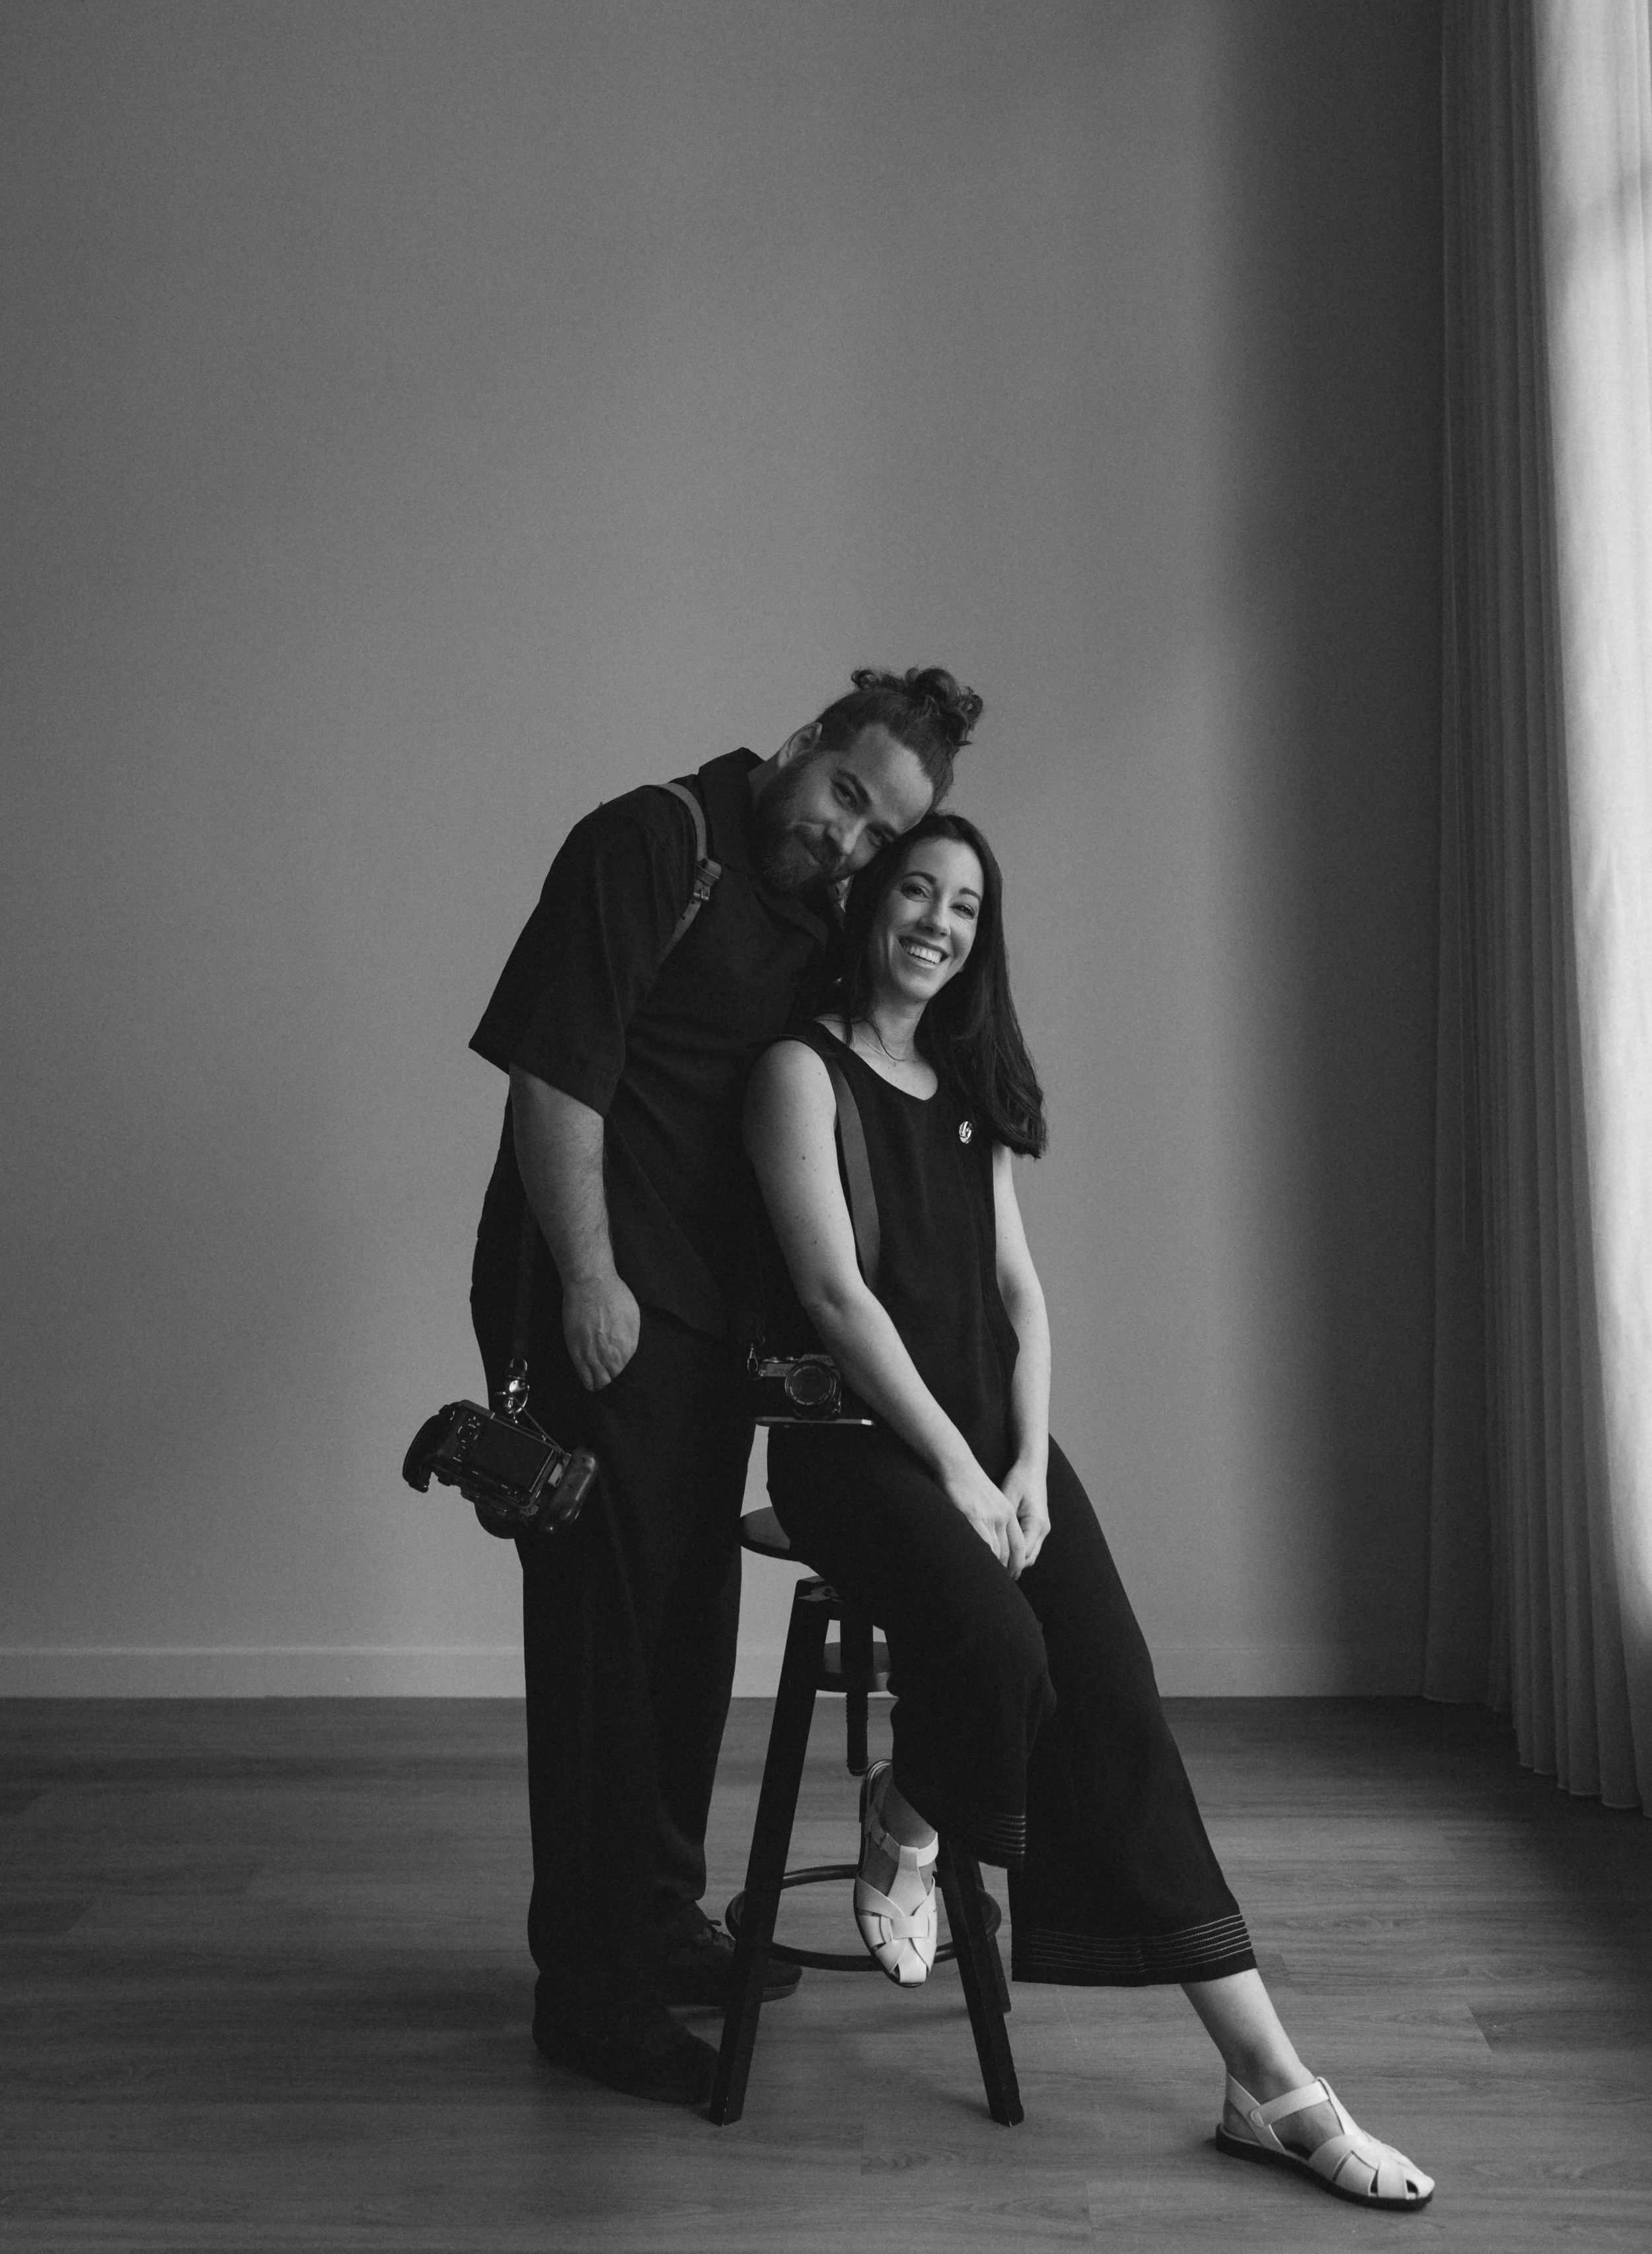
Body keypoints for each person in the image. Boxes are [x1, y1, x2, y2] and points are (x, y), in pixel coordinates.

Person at [742, 811, 1436, 2210]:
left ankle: (1269, 2086)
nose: (938, 921)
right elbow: (830, 1294)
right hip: (852, 1454)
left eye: (964, 906)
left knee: (1115, 1711)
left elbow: (1015, 1294)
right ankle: (907, 1823)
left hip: (993, 1451)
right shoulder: (793, 1071)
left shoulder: (965, 1081)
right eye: (917, 893)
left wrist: (1024, 1458)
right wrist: (947, 1460)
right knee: (1001, 1660)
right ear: (871, 900)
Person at [466, 667, 983, 2107]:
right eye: (843, 798)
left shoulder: (811, 909)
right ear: (804, 741)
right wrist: (586, 1279)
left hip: (699, 1331)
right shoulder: (646, 844)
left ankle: (654, 1920)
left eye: (878, 834)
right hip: (597, 1305)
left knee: (683, 1631)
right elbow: (553, 1083)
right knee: (601, 1646)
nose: (846, 844)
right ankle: (591, 1992)